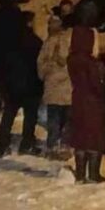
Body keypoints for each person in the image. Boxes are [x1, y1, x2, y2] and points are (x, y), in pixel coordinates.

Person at [67, 2, 105, 183]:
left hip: (77, 98)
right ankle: (93, 174)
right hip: (91, 101)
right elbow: (96, 84)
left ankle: (81, 174)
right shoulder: (90, 62)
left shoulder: (72, 58)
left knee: (80, 136)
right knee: (94, 136)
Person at [0, 11, 43, 156]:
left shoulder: (9, 42)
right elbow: (40, 64)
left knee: (8, 115)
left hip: (11, 84)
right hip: (31, 84)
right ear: (29, 23)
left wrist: (3, 84)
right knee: (30, 117)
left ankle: (3, 145)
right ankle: (27, 144)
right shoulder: (36, 42)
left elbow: (3, 64)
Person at [37, 12, 72, 158]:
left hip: (54, 87)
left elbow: (41, 64)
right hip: (67, 87)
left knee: (54, 119)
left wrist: (45, 74)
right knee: (64, 119)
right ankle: (63, 146)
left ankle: (53, 146)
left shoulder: (49, 42)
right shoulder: (69, 40)